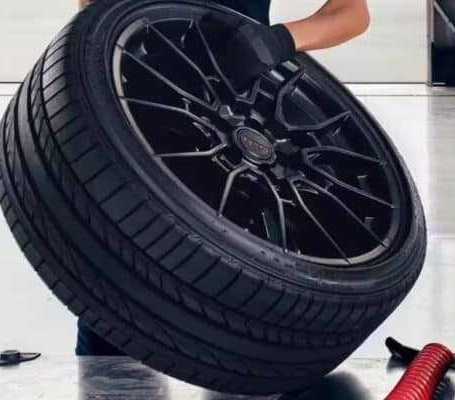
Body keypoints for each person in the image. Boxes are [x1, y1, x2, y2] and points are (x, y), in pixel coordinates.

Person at [74, 0, 370, 356]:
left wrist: (277, 41)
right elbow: (91, 13)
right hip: (137, 111)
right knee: (118, 302)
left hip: (236, 124)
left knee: (241, 319)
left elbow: (351, 13)